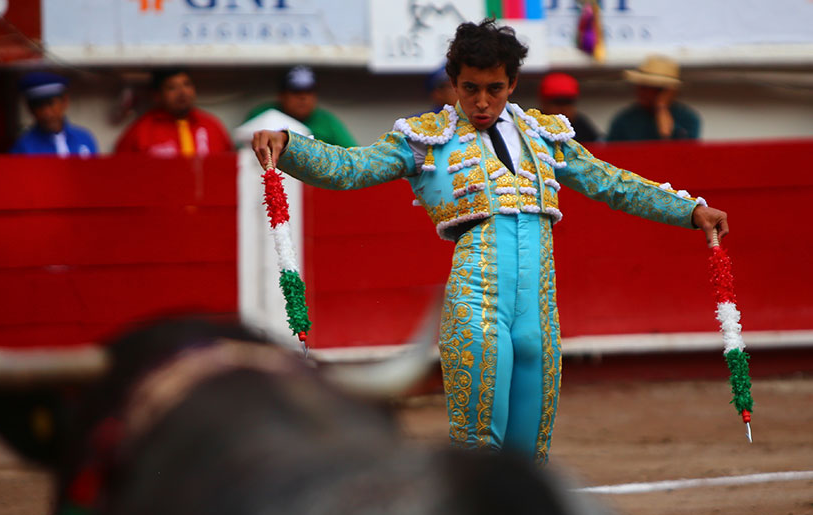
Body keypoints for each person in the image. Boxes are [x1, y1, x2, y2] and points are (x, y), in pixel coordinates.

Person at [252, 20, 728, 463]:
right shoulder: (424, 139)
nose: (482, 102)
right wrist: (293, 147)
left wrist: (689, 210)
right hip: (477, 305)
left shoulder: (545, 136)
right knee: (481, 450)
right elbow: (350, 168)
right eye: (470, 89)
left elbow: (615, 184)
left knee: (530, 456)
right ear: (454, 83)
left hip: (539, 314)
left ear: (512, 83)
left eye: (494, 89)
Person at [115, 68, 233, 157]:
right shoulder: (141, 131)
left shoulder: (212, 126)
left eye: (187, 84)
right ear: (157, 95)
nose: (182, 92)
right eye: (172, 87)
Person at [243, 66, 356, 148]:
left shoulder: (326, 121)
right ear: (281, 96)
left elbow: (352, 155)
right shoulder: (264, 115)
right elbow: (239, 151)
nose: (303, 98)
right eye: (296, 92)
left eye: (308, 92)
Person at [607, 55, 701, 141]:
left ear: (664, 91)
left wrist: (661, 107)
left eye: (647, 87)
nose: (640, 91)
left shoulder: (687, 119)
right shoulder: (624, 119)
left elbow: (683, 152)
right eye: (640, 85)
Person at [10, 72, 99, 157]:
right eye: (39, 105)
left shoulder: (84, 139)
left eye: (50, 103)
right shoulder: (23, 148)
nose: (46, 112)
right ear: (30, 108)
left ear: (64, 102)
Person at [538, 72, 601, 143]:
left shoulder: (581, 126)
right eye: (557, 102)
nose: (563, 108)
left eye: (568, 102)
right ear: (544, 103)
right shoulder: (534, 125)